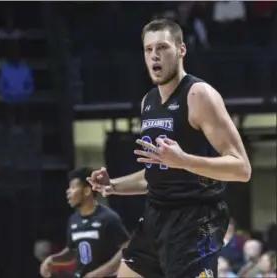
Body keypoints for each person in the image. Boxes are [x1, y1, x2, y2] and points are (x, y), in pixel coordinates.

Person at [87, 19, 251, 278]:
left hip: (197, 220)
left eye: (162, 47)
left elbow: (241, 169)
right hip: (156, 216)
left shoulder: (199, 95)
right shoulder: (148, 102)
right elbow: (157, 173)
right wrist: (113, 185)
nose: (155, 55)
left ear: (181, 50)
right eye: (148, 49)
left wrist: (184, 160)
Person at [40, 167, 129, 278]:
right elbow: (72, 251)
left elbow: (126, 248)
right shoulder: (73, 220)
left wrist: (101, 273)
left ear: (87, 191)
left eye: (73, 188)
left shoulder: (108, 218)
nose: (68, 192)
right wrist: (53, 259)